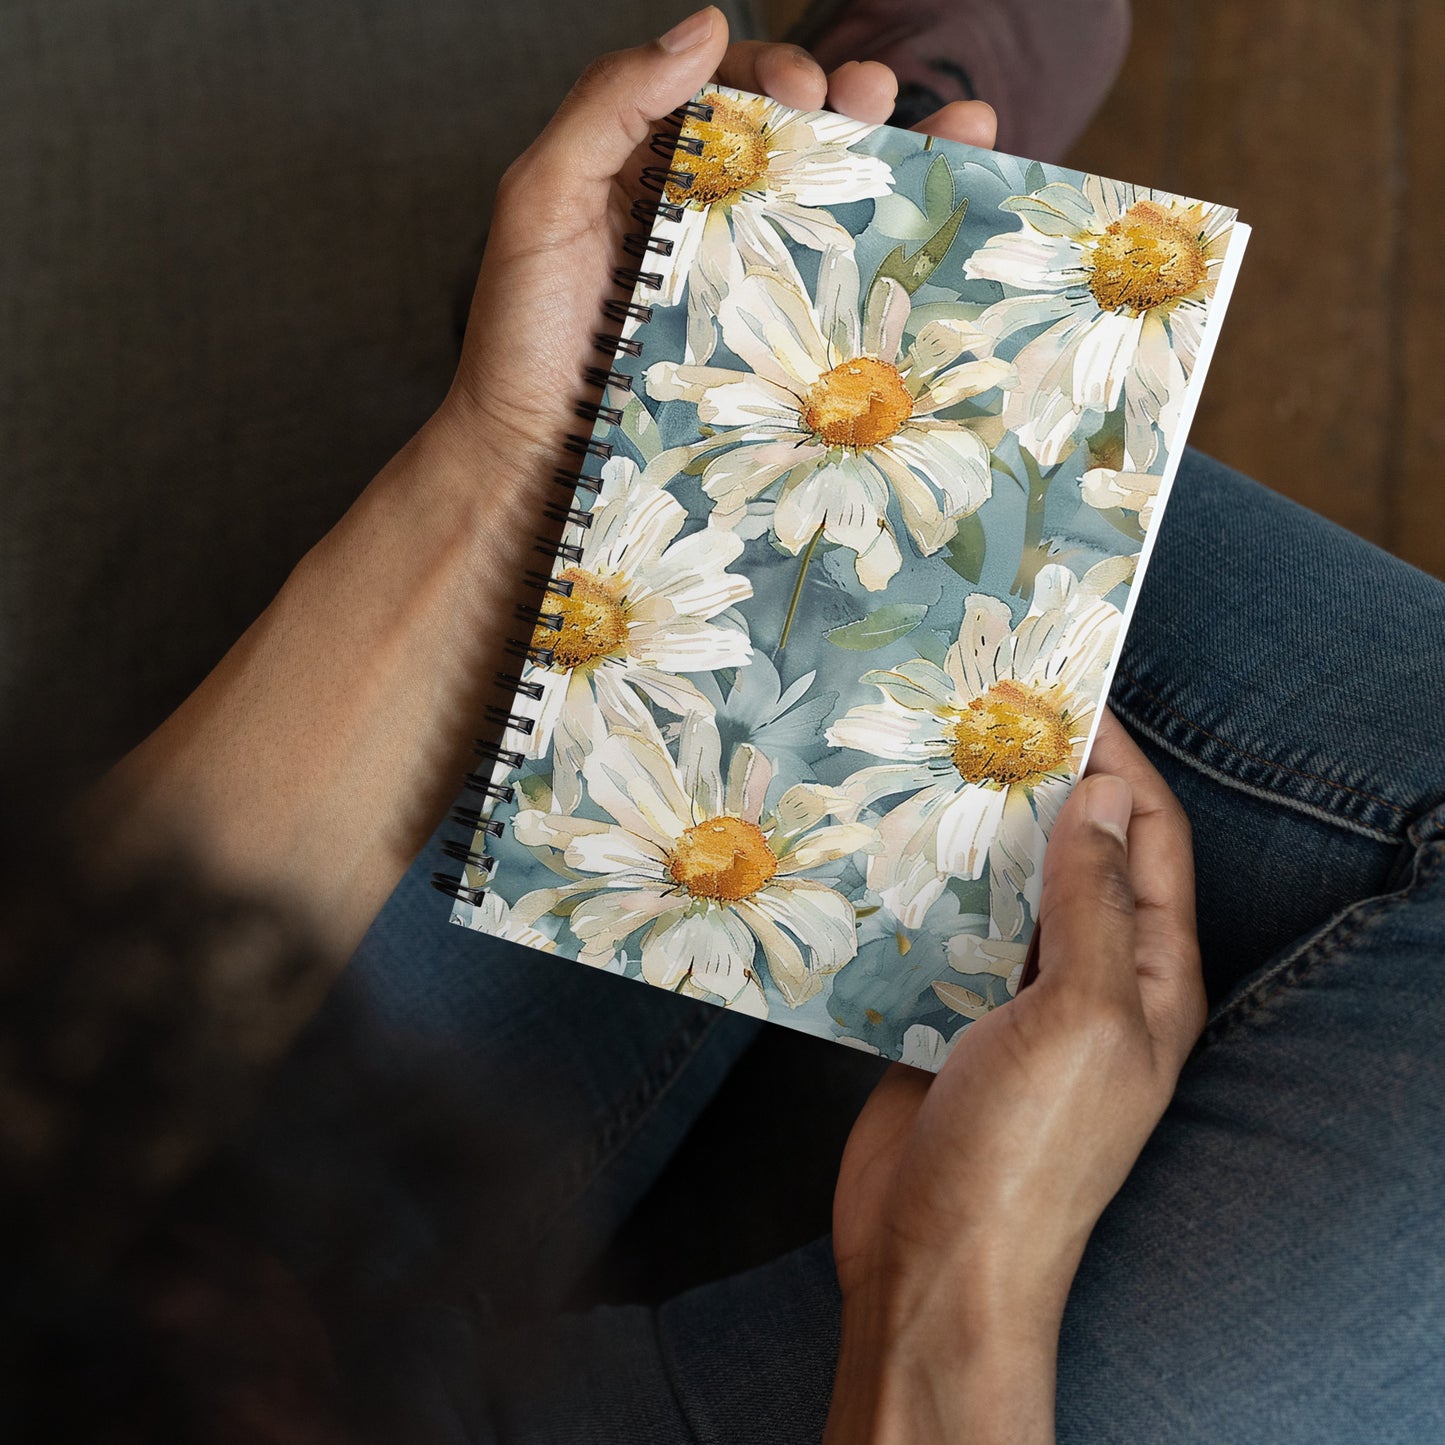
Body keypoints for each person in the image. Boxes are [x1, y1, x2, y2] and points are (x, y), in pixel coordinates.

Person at [4, 7, 1442, 1442]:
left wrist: (504, 464)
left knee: (672, 601)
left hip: (139, 1290)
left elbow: (48, 1082)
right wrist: (947, 1298)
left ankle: (749, 303)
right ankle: (825, 282)